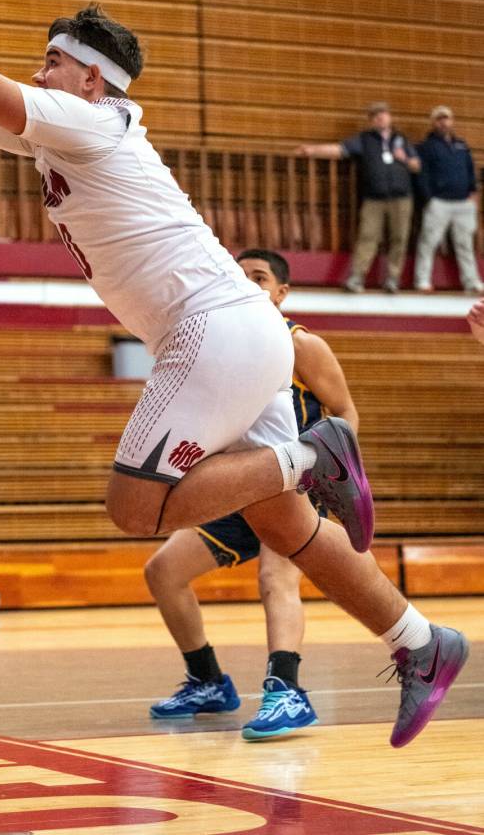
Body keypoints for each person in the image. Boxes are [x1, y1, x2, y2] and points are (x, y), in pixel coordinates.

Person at [0, 0, 468, 747]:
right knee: (289, 529)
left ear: (92, 79)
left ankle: (319, 455)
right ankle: (419, 640)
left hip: (209, 332)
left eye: (53, 62)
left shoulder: (90, 121)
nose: (38, 73)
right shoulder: (65, 135)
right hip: (241, 331)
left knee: (134, 505)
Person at [147, 249, 358, 739]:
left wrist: (334, 476)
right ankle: (207, 682)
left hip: (293, 482)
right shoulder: (219, 348)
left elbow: (347, 413)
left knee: (275, 577)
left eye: (258, 278)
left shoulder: (301, 344)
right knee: (163, 572)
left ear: (282, 293)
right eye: (237, 278)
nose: (246, 285)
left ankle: (287, 692)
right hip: (239, 484)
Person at [297, 102, 420, 294]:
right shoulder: (364, 139)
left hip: (401, 197)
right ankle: (357, 277)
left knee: (399, 238)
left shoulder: (401, 140)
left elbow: (416, 165)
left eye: (383, 114)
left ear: (390, 117)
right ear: (371, 120)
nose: (380, 117)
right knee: (367, 237)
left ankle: (393, 279)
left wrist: (403, 158)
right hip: (374, 198)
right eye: (375, 115)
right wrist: (312, 150)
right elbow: (340, 150)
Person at [413, 106, 483, 295]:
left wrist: (473, 193)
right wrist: (429, 198)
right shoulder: (426, 147)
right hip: (439, 203)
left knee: (465, 243)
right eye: (439, 119)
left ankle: (471, 281)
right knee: (429, 242)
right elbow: (421, 174)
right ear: (433, 122)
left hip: (463, 202)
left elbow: (470, 170)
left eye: (447, 118)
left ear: (452, 121)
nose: (444, 122)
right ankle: (422, 280)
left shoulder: (461, 145)